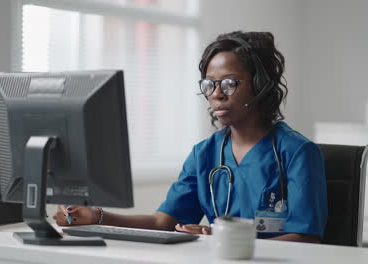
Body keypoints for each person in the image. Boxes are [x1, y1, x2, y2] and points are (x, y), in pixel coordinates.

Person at [54, 31, 328, 243]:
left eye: (230, 83)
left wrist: (220, 239)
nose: (216, 94)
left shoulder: (297, 152)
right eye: (210, 84)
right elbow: (163, 222)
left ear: (259, 85)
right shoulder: (204, 154)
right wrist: (98, 217)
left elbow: (306, 239)